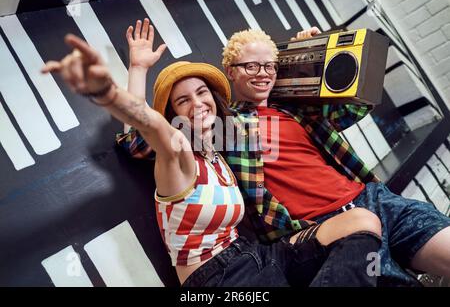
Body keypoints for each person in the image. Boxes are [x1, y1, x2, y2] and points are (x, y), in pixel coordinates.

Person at [41, 21, 382, 287]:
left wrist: (313, 54)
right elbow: (147, 129)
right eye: (183, 100)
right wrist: (114, 89)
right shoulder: (178, 158)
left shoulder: (222, 151)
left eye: (201, 93)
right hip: (218, 281)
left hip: (257, 256)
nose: (197, 104)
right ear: (173, 116)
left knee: (363, 220)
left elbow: (274, 91)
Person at [220, 28, 450, 286]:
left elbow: (355, 105)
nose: (262, 73)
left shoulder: (295, 107)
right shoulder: (227, 126)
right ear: (231, 71)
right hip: (329, 230)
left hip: (372, 199)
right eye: (251, 66)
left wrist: (311, 57)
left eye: (269, 66)